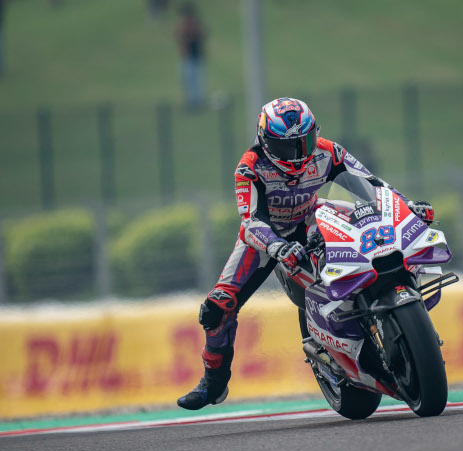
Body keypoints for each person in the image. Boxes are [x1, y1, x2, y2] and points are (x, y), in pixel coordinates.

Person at [177, 97, 435, 410]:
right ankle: (214, 384)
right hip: (267, 237)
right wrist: (276, 245)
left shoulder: (328, 151)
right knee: (216, 309)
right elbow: (251, 221)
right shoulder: (250, 167)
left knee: (371, 232)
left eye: (306, 141)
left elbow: (371, 183)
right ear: (268, 143)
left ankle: (371, 312)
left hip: (312, 218)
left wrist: (407, 207)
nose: (301, 153)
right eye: (290, 147)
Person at [175, 3, 205, 110]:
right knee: (187, 81)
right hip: (187, 58)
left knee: (196, 82)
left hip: (195, 58)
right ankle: (190, 102)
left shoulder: (194, 25)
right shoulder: (183, 25)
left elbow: (198, 35)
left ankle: (196, 103)